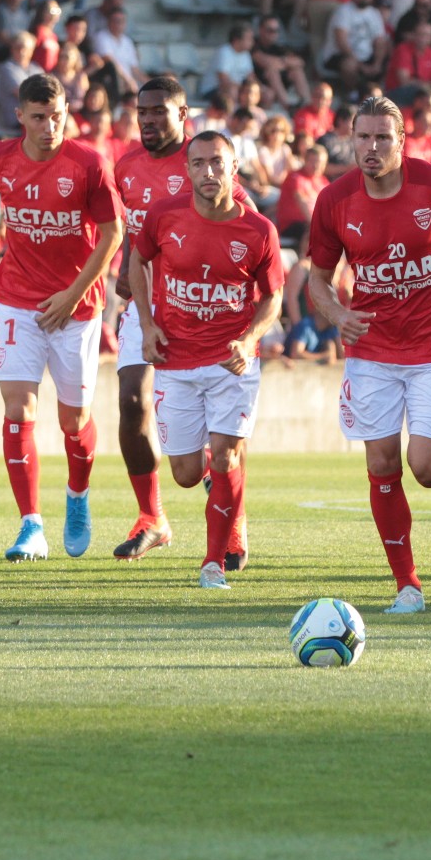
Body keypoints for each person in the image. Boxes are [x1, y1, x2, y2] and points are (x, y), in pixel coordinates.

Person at [303, 96, 431, 614]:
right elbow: (318, 282)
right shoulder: (334, 200)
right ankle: (407, 585)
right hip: (371, 346)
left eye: (382, 138)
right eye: (363, 138)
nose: (371, 148)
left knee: (423, 466)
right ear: (351, 139)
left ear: (402, 142)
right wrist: (336, 315)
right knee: (380, 461)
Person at [0, 73, 123, 562]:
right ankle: (31, 525)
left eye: (57, 116)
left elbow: (112, 233)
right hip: (17, 299)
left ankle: (77, 496)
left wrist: (73, 292)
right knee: (18, 409)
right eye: (39, 117)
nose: (49, 126)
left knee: (73, 420)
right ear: (21, 116)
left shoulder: (87, 165)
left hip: (76, 309)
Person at [129, 131, 286, 589]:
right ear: (188, 171)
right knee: (185, 473)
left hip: (231, 363)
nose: (208, 172)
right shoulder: (163, 216)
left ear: (233, 168)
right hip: (176, 359)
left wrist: (250, 336)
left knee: (225, 454)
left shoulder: (258, 230)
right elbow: (138, 263)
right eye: (198, 164)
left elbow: (273, 297)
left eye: (217, 162)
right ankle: (223, 482)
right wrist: (148, 322)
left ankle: (213, 562)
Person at [110, 75, 195, 559]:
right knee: (131, 402)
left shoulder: (203, 162)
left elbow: (237, 223)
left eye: (159, 110)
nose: (147, 119)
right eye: (142, 111)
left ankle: (235, 518)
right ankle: (152, 517)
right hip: (148, 303)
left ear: (183, 115)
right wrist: (127, 269)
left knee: (209, 431)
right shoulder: (126, 167)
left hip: (200, 301)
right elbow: (132, 226)